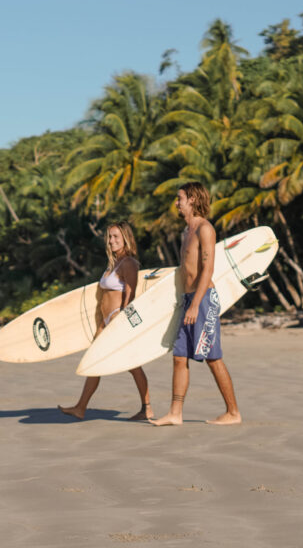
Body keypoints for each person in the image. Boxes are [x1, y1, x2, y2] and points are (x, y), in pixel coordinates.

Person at [151, 182, 241, 426]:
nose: (176, 203)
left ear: (192, 199)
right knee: (180, 357)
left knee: (212, 357)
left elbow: (207, 269)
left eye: (179, 198)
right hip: (188, 299)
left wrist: (195, 305)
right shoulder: (186, 231)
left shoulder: (205, 229)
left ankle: (233, 412)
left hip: (203, 301)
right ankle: (175, 413)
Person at [60, 221, 153, 421]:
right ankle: (81, 407)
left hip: (117, 320)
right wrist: (101, 323)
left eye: (116, 237)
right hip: (105, 321)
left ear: (125, 239)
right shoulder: (113, 263)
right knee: (97, 361)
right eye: (109, 237)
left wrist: (121, 323)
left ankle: (147, 408)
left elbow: (130, 293)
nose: (111, 241)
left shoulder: (129, 263)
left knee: (133, 365)